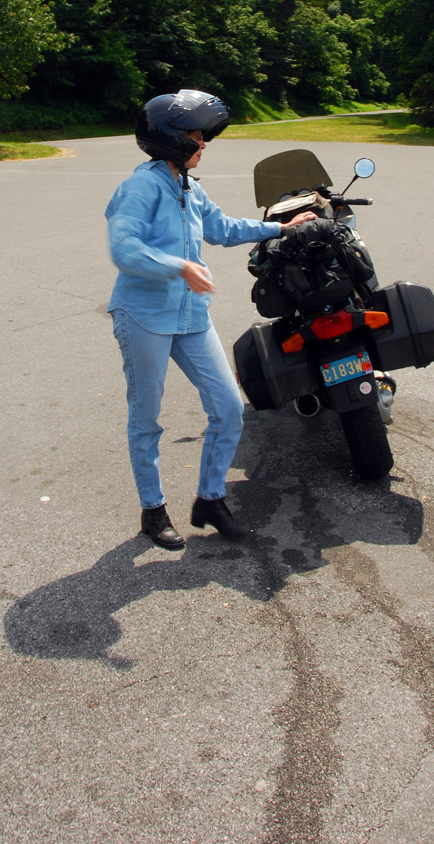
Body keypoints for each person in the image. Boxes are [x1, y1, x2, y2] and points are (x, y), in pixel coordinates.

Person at [105, 89, 316, 549]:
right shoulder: (140, 188)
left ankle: (211, 500)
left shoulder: (188, 187)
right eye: (199, 137)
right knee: (147, 419)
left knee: (227, 409)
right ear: (173, 139)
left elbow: (223, 228)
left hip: (190, 315)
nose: (205, 145)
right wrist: (177, 265)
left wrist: (283, 227)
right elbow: (124, 248)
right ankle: (153, 509)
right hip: (143, 316)